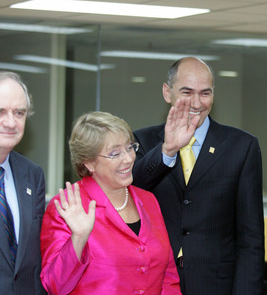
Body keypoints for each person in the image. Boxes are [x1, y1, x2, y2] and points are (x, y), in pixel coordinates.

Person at [132, 57, 265, 294]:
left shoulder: (241, 146)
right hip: (156, 281)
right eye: (186, 92)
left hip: (216, 283)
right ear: (167, 92)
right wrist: (167, 151)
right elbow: (133, 190)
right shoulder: (143, 141)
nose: (196, 102)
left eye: (205, 93)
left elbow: (250, 238)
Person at [40, 111, 181, 294]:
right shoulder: (67, 206)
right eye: (115, 153)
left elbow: (168, 278)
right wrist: (79, 239)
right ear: (89, 163)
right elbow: (54, 285)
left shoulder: (148, 200)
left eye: (130, 147)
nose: (129, 159)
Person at [0, 71, 46, 294]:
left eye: (19, 113)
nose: (10, 122)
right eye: (0, 111)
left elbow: (33, 260)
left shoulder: (32, 175)